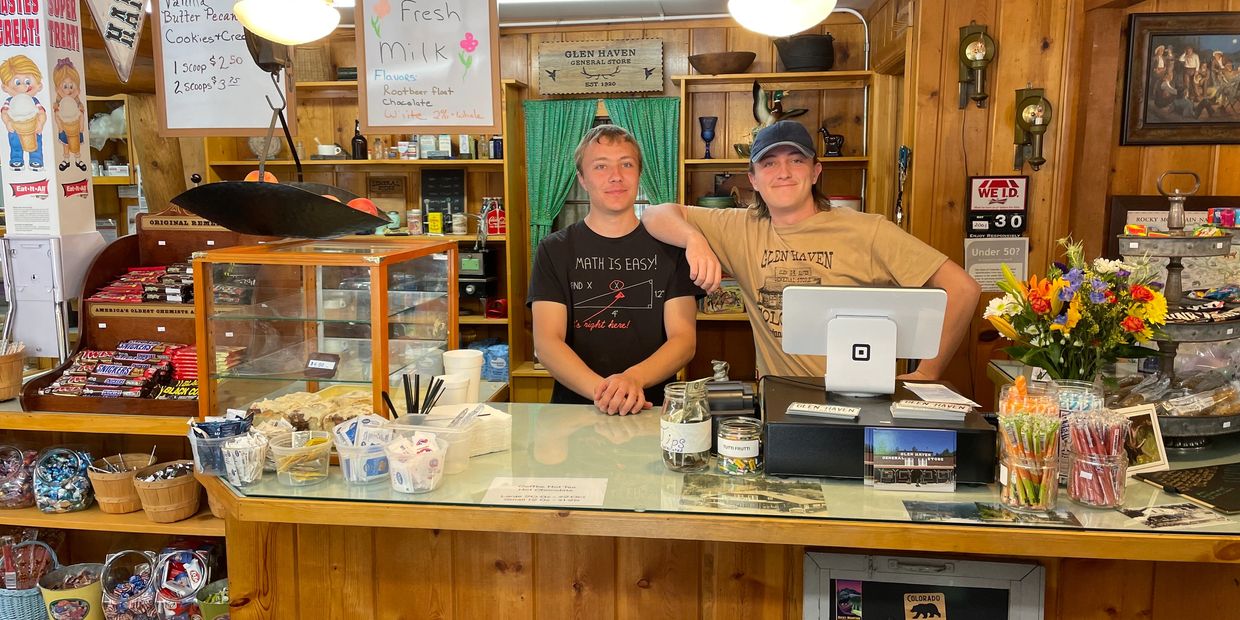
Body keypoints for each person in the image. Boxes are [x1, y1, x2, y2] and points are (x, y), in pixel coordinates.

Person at [642, 120, 981, 380]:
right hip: (781, 403)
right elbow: (654, 214)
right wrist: (694, 240)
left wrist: (927, 373)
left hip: (859, 403)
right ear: (754, 179)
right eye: (769, 163)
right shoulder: (739, 227)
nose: (783, 172)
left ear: (816, 171)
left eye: (796, 160)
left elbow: (963, 289)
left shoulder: (869, 230)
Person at [527, 124, 702, 415]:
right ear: (582, 179)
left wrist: (633, 379)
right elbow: (547, 343)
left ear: (639, 173)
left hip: (652, 410)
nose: (616, 176)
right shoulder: (554, 249)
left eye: (626, 164)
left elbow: (683, 341)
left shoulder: (672, 248)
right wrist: (608, 393)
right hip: (574, 413)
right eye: (600, 166)